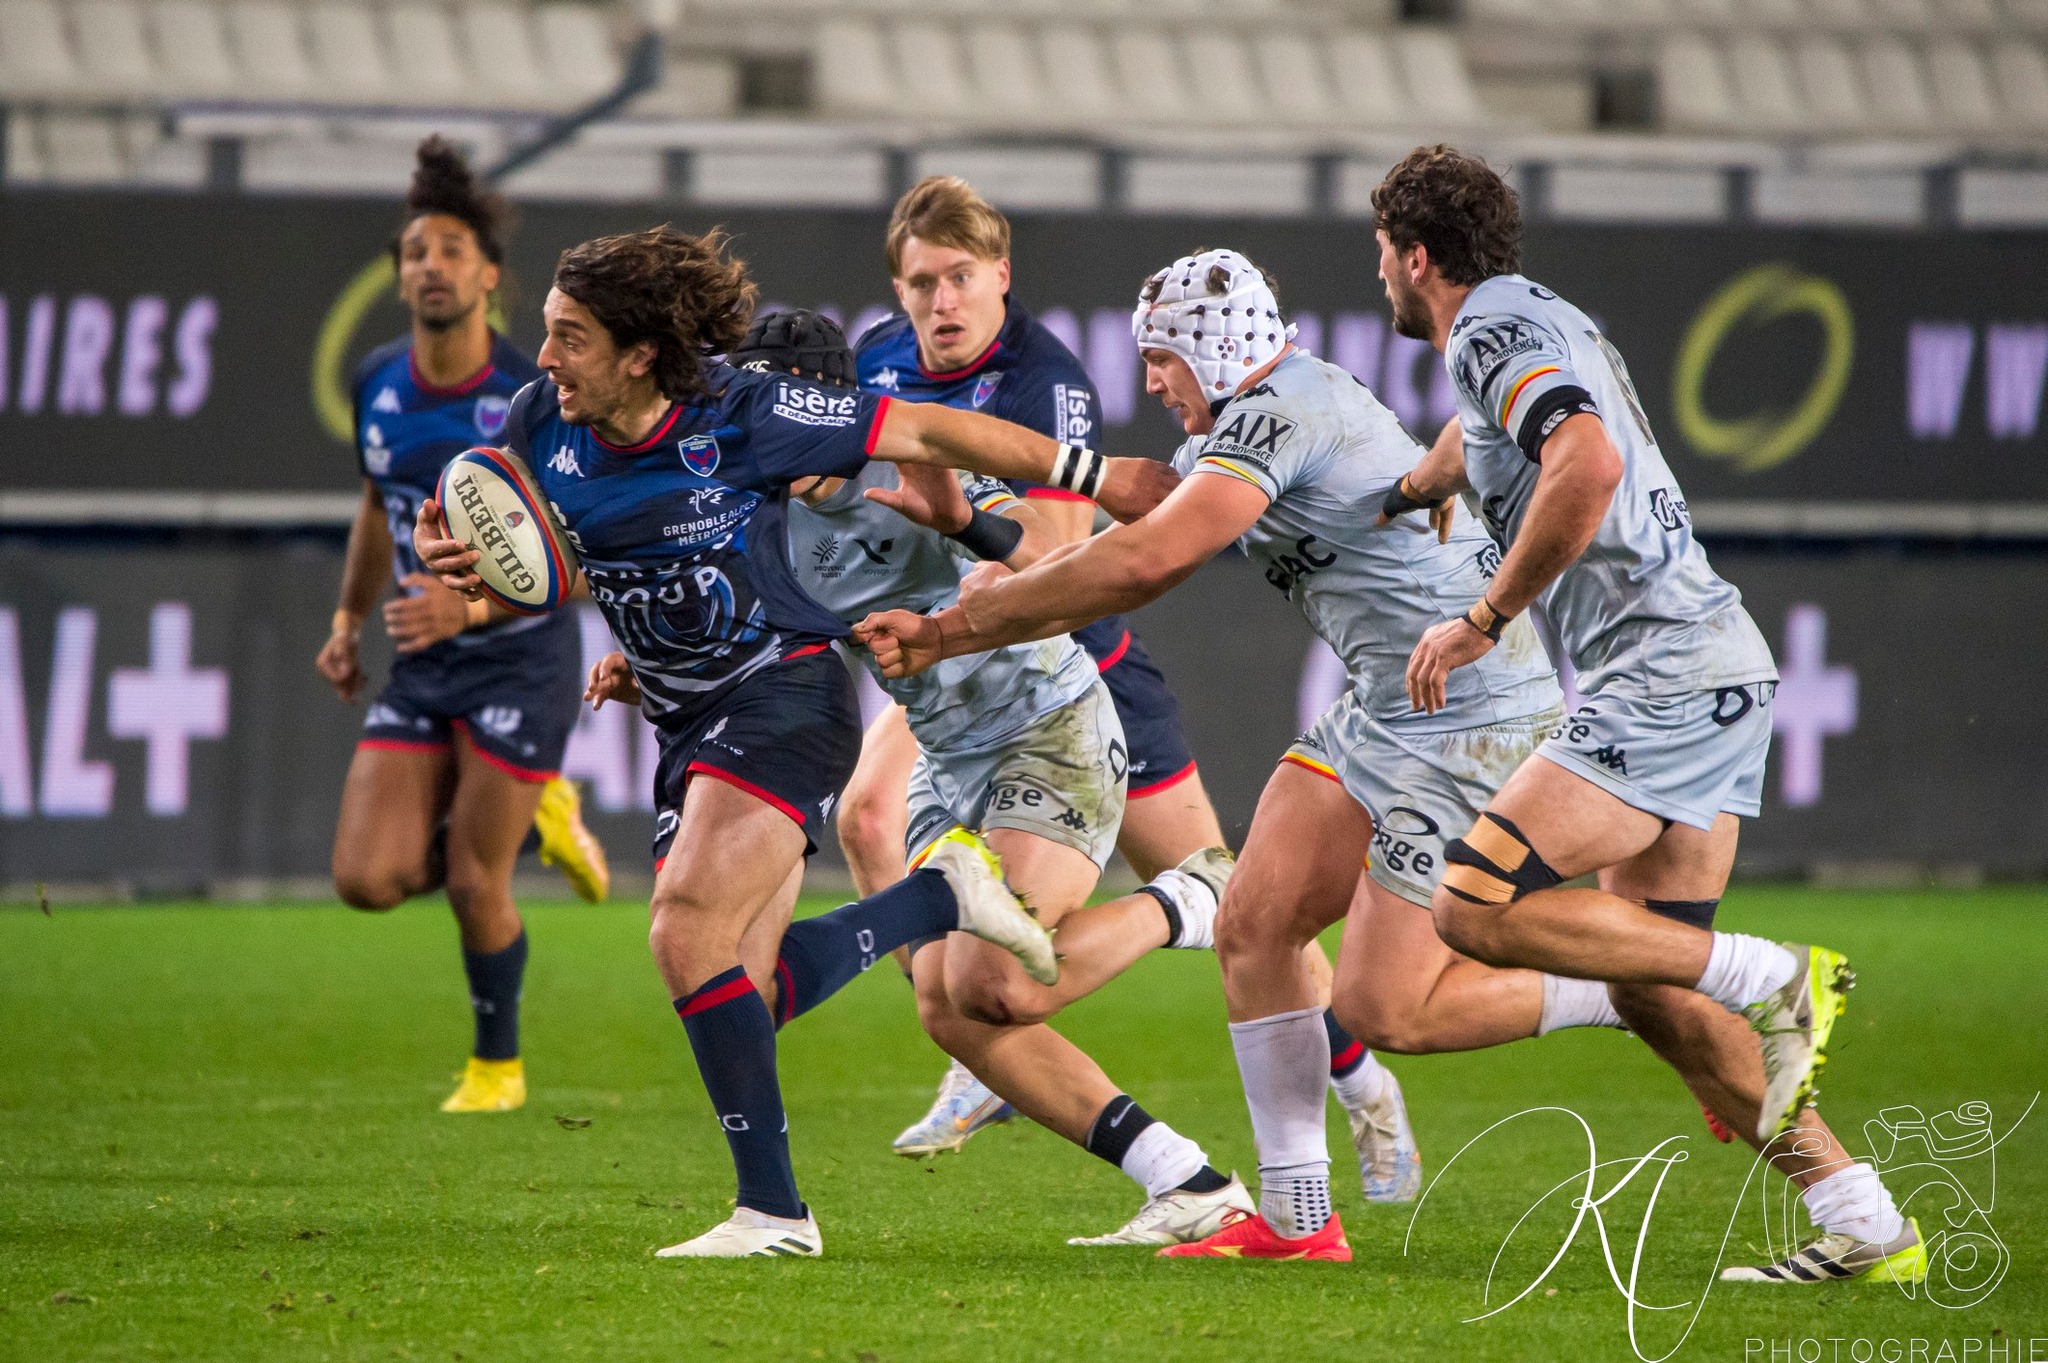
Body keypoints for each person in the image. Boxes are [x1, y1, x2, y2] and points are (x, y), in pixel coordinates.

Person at [856, 247, 1656, 1261]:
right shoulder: (1260, 410)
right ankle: (1296, 1221)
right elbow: (1154, 500)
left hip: (1467, 713)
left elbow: (1145, 559)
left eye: (1161, 359)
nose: (1149, 381)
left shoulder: (1278, 413)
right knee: (1252, 921)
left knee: (1387, 1008)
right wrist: (967, 492)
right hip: (1389, 704)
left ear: (1210, 346)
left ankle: (1628, 989)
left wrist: (962, 627)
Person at [412, 227, 1176, 1258]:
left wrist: (1099, 472)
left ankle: (772, 1216)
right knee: (744, 987)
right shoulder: (541, 415)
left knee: (683, 932)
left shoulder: (749, 412)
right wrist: (442, 537)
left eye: (569, 337)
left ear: (640, 352)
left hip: (779, 694)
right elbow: (506, 524)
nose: (543, 358)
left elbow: (934, 432)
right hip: (683, 718)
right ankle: (937, 897)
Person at [1369, 145, 1921, 1286]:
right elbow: (1497, 439)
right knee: (1649, 991)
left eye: (1381, 253)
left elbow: (1584, 462)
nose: (1378, 272)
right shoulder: (1532, 319)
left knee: (1471, 902)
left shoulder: (1486, 334)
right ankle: (1866, 1221)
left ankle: (1773, 973)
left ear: (1415, 257)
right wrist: (1423, 486)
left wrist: (1480, 616)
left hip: (1658, 671)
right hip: (1708, 662)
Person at [849, 177, 1362, 1163]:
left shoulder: (1045, 381)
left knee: (1239, 905)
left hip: (1063, 665)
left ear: (1000, 275)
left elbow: (1058, 561)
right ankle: (976, 1053)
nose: (940, 301)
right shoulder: (875, 358)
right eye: (921, 283)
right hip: (949, 663)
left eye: (959, 277)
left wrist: (956, 522)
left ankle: (1354, 1071)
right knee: (867, 816)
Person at [729, 309, 1256, 1246]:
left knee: (999, 989)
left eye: (769, 409)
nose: (753, 430)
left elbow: (1063, 567)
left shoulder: (910, 471)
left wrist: (967, 522)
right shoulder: (769, 516)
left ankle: (1191, 898)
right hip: (951, 760)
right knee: (951, 1010)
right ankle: (1190, 1182)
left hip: (1050, 733)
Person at [315, 136, 610, 1117]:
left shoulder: (535, 401)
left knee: (472, 883)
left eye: (450, 249)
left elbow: (584, 556)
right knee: (365, 878)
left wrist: (470, 603)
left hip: (520, 661)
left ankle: (496, 1069)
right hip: (423, 661)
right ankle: (542, 819)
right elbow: (375, 506)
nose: (429, 266)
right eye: (414, 251)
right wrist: (349, 616)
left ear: (489, 275)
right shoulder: (377, 384)